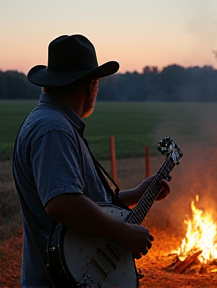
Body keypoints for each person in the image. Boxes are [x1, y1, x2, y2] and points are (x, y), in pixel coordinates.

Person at [12, 34, 170, 288]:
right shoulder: (54, 129)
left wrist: (136, 194)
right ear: (90, 85)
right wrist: (124, 232)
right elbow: (62, 203)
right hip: (63, 280)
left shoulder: (53, 122)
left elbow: (83, 200)